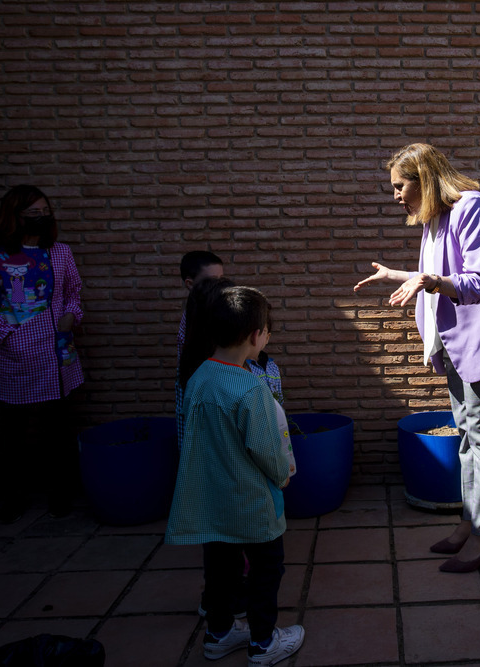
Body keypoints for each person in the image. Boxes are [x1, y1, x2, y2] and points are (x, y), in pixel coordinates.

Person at [354, 143, 480, 573]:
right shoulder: (434, 219)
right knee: (469, 440)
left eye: (400, 186)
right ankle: (471, 524)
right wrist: (402, 276)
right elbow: (435, 277)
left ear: (424, 179)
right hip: (455, 345)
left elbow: (479, 283)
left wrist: (430, 281)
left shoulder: (473, 207)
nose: (395, 195)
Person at [166, 283, 304, 666]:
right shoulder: (250, 388)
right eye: (267, 329)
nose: (268, 336)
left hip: (212, 501)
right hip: (250, 502)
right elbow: (266, 450)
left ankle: (219, 633)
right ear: (254, 335)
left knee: (221, 570)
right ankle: (263, 643)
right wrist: (282, 476)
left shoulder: (198, 378)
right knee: (265, 571)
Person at [0, 184, 85, 523]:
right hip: (14, 355)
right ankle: (13, 497)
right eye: (31, 213)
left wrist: (71, 315)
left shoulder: (60, 253)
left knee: (57, 428)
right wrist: (8, 336)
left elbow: (73, 292)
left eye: (44, 212)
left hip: (55, 351)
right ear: (14, 216)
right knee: (14, 432)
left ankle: (60, 494)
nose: (40, 218)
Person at [176, 251, 225, 450]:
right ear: (190, 284)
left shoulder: (217, 309)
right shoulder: (195, 320)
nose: (220, 286)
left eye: (222, 279)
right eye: (213, 280)